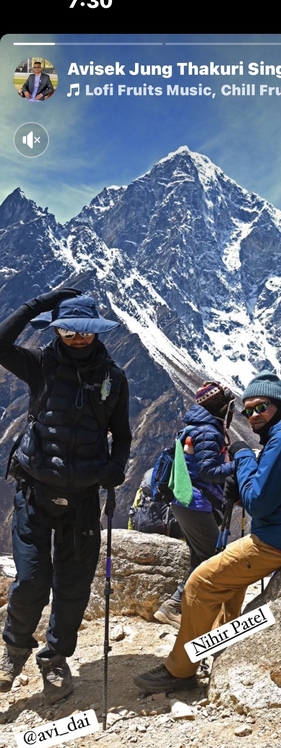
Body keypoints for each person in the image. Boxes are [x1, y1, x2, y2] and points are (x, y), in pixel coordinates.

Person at [133, 370, 281, 694]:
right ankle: (219, 644)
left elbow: (258, 503)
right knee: (227, 582)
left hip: (279, 538)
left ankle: (180, 670)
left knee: (200, 583)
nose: (252, 416)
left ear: (278, 405)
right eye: (247, 410)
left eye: (259, 408)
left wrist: (245, 457)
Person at [0, 289, 131, 703]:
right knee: (32, 580)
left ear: (96, 331)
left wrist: (116, 468)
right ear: (57, 329)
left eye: (84, 331)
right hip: (35, 491)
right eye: (69, 330)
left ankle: (55, 658)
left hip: (84, 497)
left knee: (73, 586)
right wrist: (35, 305)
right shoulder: (40, 365)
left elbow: (123, 435)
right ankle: (14, 651)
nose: (77, 338)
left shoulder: (113, 378)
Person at [154, 381, 236, 627]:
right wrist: (241, 462)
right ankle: (175, 606)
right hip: (196, 502)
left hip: (185, 501)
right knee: (214, 557)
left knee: (200, 557)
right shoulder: (208, 432)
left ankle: (186, 608)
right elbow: (209, 471)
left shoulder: (195, 428)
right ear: (223, 406)